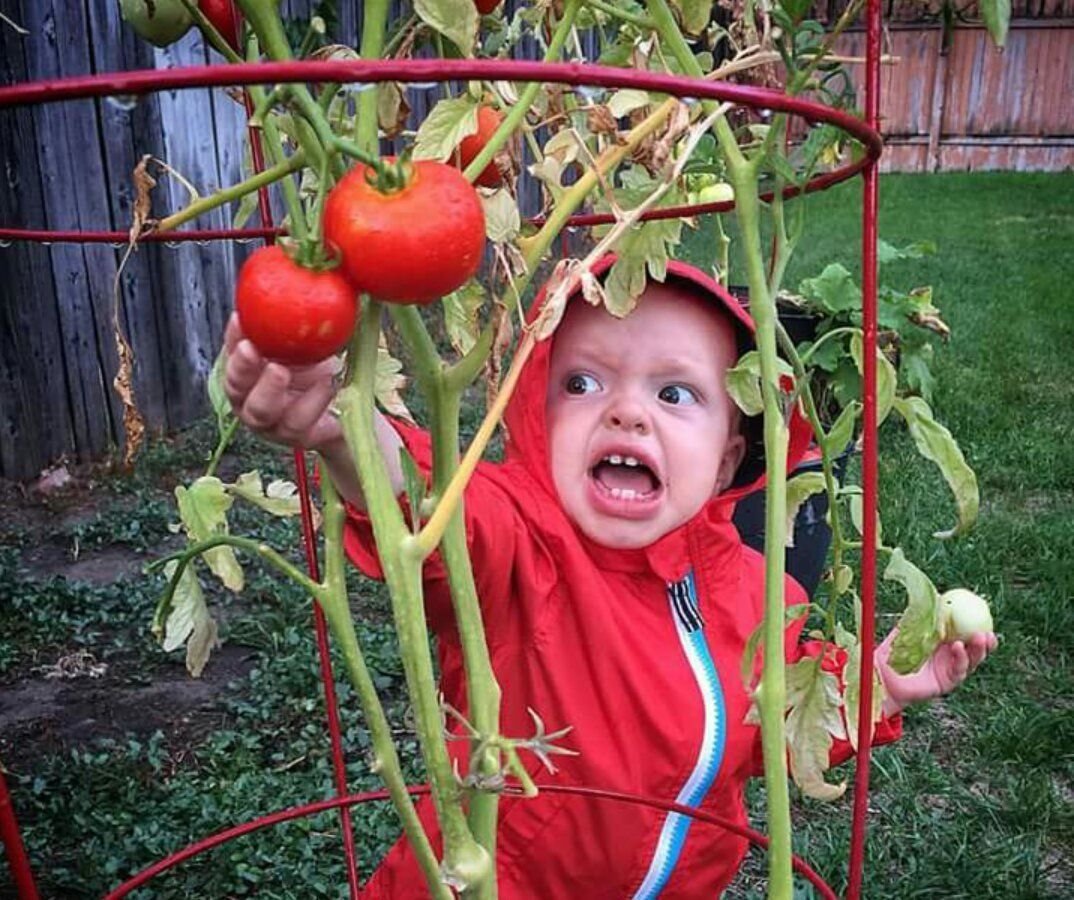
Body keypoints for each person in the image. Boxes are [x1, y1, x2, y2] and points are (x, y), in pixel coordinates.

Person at [224, 255, 996, 898]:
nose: (626, 413)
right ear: (534, 411)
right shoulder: (519, 541)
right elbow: (430, 511)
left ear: (730, 455)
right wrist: (344, 432)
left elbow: (778, 716)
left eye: (674, 393)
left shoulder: (764, 595)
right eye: (583, 384)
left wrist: (880, 685)